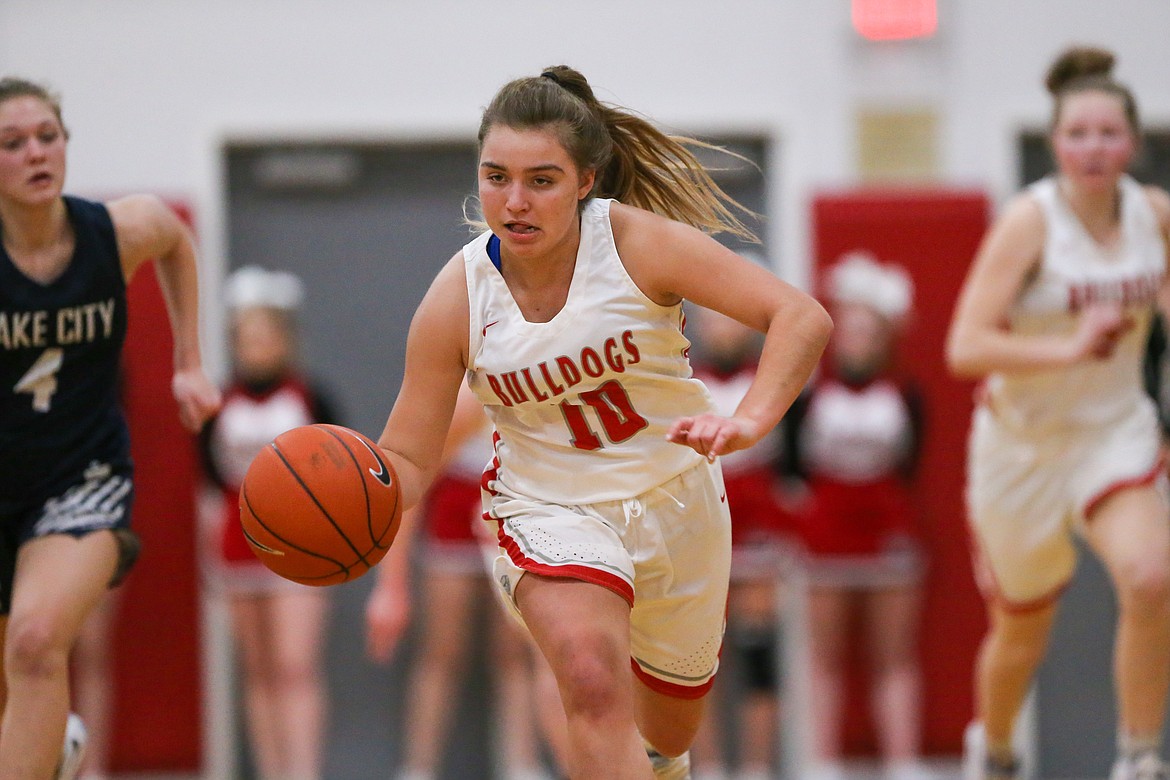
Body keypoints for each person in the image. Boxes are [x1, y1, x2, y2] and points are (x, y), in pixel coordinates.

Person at [369, 65, 832, 780]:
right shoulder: (457, 297)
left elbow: (800, 316)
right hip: (548, 511)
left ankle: (664, 762)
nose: (514, 201)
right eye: (495, 177)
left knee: (669, 725)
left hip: (677, 501)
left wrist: (752, 419)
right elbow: (405, 457)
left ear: (586, 179)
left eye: (541, 180)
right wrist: (346, 495)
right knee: (588, 679)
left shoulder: (638, 244)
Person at [946, 46, 1170, 780]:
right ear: (1056, 143)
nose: (1094, 147)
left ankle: (1139, 756)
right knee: (1021, 632)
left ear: (1133, 143)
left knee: (1150, 577)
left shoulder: (1155, 216)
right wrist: (1071, 347)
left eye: (1109, 133)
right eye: (1079, 133)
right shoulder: (1028, 222)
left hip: (1114, 434)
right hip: (1022, 447)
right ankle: (998, 748)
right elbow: (964, 347)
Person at [0, 77, 221, 779]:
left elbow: (175, 239)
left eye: (47, 136)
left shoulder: (112, 232)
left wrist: (188, 360)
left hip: (81, 476)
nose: (35, 152)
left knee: (37, 641)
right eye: (12, 143)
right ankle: (51, 750)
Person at [365, 384, 566, 780]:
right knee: (441, 651)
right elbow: (408, 484)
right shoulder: (473, 394)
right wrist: (391, 586)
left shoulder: (560, 379)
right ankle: (418, 768)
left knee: (520, 653)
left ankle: (522, 764)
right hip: (459, 505)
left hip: (521, 511)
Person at [784, 253, 926, 780]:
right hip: (826, 536)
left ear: (885, 337)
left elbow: (912, 465)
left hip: (888, 532)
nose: (857, 341)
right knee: (825, 655)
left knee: (895, 654)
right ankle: (824, 761)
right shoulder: (809, 396)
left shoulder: (906, 395)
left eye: (869, 331)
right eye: (850, 330)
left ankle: (903, 762)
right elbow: (794, 465)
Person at [200, 265, 334, 780]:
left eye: (265, 332)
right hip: (238, 545)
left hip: (301, 548)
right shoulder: (217, 403)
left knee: (296, 669)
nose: (255, 343)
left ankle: (305, 771)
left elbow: (344, 482)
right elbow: (209, 479)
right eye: (245, 334)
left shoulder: (311, 398)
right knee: (256, 673)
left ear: (285, 336)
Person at [686, 303, 796, 780]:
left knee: (757, 656)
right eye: (711, 319)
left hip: (755, 537)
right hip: (697, 533)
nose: (720, 328)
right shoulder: (683, 381)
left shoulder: (769, 383)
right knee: (693, 661)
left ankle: (757, 768)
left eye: (730, 318)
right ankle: (704, 768)